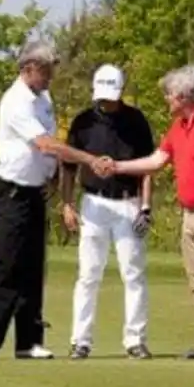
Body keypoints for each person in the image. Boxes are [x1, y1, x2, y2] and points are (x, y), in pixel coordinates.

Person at [0, 40, 112, 361]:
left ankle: (28, 340)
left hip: (36, 191)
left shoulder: (43, 98)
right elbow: (47, 145)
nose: (50, 78)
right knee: (9, 263)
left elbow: (49, 148)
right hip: (12, 192)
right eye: (46, 72)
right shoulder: (15, 102)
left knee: (34, 265)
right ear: (29, 69)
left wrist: (52, 177)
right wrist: (89, 159)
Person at [102, 64, 194, 361]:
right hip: (190, 211)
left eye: (169, 95)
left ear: (184, 95)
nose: (166, 100)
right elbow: (158, 160)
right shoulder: (180, 126)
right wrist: (117, 166)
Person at [61, 64, 157, 360]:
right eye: (103, 96)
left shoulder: (136, 121)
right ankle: (80, 340)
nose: (107, 102)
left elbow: (148, 167)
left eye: (111, 96)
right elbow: (67, 166)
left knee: (133, 274)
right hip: (93, 203)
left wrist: (146, 206)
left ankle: (135, 340)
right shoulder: (83, 122)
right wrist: (67, 204)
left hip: (128, 203)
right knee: (89, 274)